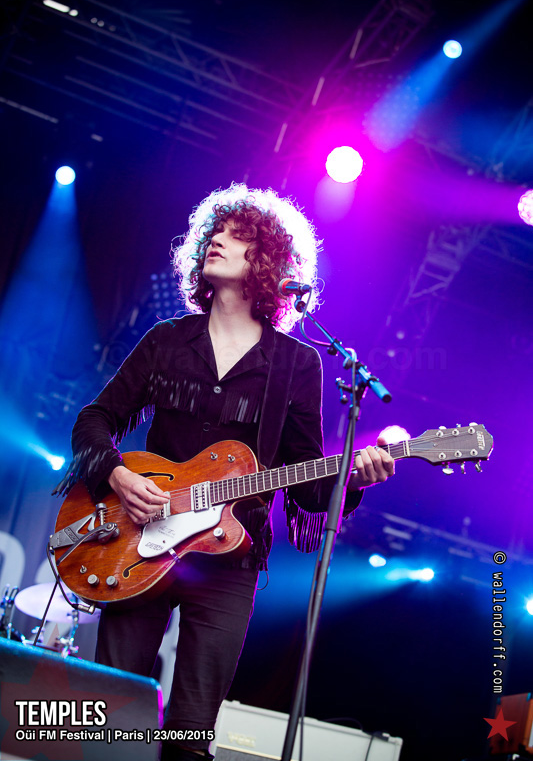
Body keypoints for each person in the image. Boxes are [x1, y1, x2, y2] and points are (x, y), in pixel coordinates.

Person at [55, 183, 395, 760]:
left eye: (237, 236)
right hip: (139, 542)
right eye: (214, 232)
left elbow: (309, 487)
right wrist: (116, 475)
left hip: (229, 561)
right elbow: (94, 419)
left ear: (267, 262)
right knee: (111, 715)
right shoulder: (167, 341)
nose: (217, 240)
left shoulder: (297, 364)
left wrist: (353, 480)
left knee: (190, 732)